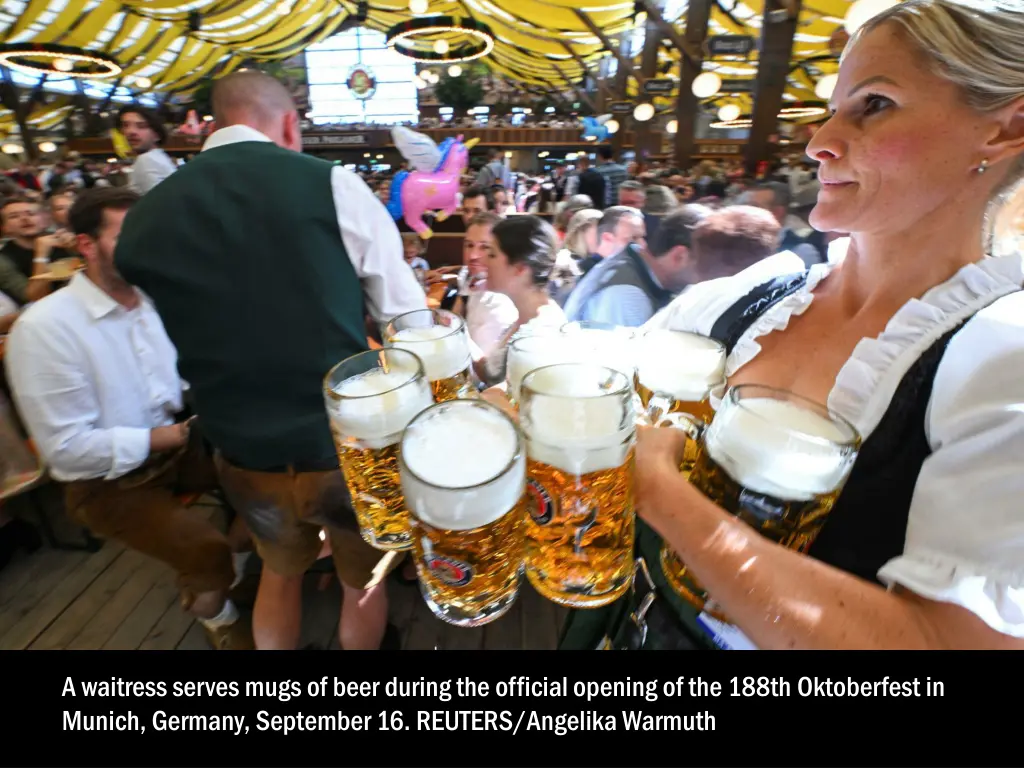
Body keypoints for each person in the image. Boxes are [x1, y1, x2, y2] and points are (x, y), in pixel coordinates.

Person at [561, 0, 1024, 651]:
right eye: (833, 107)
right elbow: (611, 360)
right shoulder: (762, 290)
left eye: (874, 104)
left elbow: (947, 643)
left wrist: (664, 496)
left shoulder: (1005, 359)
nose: (818, 143)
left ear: (1007, 128)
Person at [114, 70, 427, 651]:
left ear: (212, 124)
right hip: (343, 446)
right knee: (363, 584)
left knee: (279, 574)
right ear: (289, 124)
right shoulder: (330, 185)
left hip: (239, 450)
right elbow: (408, 323)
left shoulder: (143, 220)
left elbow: (161, 339)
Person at [4, 188, 252, 649]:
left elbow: (180, 381)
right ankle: (219, 613)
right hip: (106, 482)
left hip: (178, 447)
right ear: (85, 245)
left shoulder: (151, 301)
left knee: (266, 479)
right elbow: (68, 452)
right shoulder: (44, 328)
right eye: (130, 236)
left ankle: (228, 569)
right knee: (204, 547)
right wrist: (173, 434)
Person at [563, 204, 713, 328]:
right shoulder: (628, 296)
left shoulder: (633, 256)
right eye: (708, 265)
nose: (713, 276)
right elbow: (621, 361)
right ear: (679, 256)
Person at [474, 215, 567, 386]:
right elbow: (490, 372)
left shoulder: (540, 336)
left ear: (520, 268)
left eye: (492, 254)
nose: (483, 260)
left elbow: (510, 401)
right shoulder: (526, 313)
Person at [118, 105, 178, 195]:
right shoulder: (158, 157)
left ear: (157, 135)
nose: (131, 132)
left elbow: (157, 203)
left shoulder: (146, 159)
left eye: (141, 126)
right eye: (126, 126)